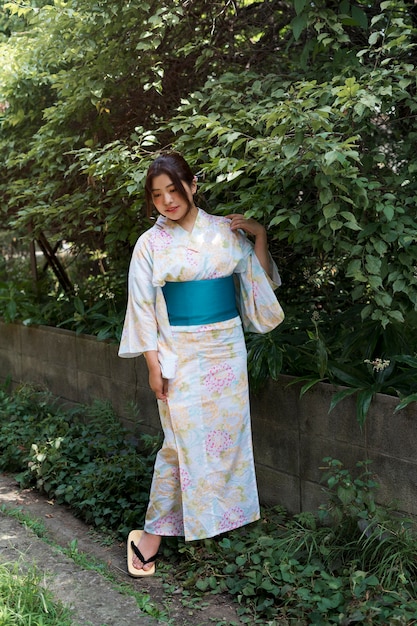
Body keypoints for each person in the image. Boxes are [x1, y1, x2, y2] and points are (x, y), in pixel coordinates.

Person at [118, 151, 284, 576]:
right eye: (157, 195)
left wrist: (259, 236)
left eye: (174, 189)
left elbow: (256, 285)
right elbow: (141, 308)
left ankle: (210, 526)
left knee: (225, 439)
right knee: (179, 441)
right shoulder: (150, 244)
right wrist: (153, 365)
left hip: (226, 348)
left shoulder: (225, 233)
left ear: (192, 185)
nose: (167, 200)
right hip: (179, 350)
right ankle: (151, 535)